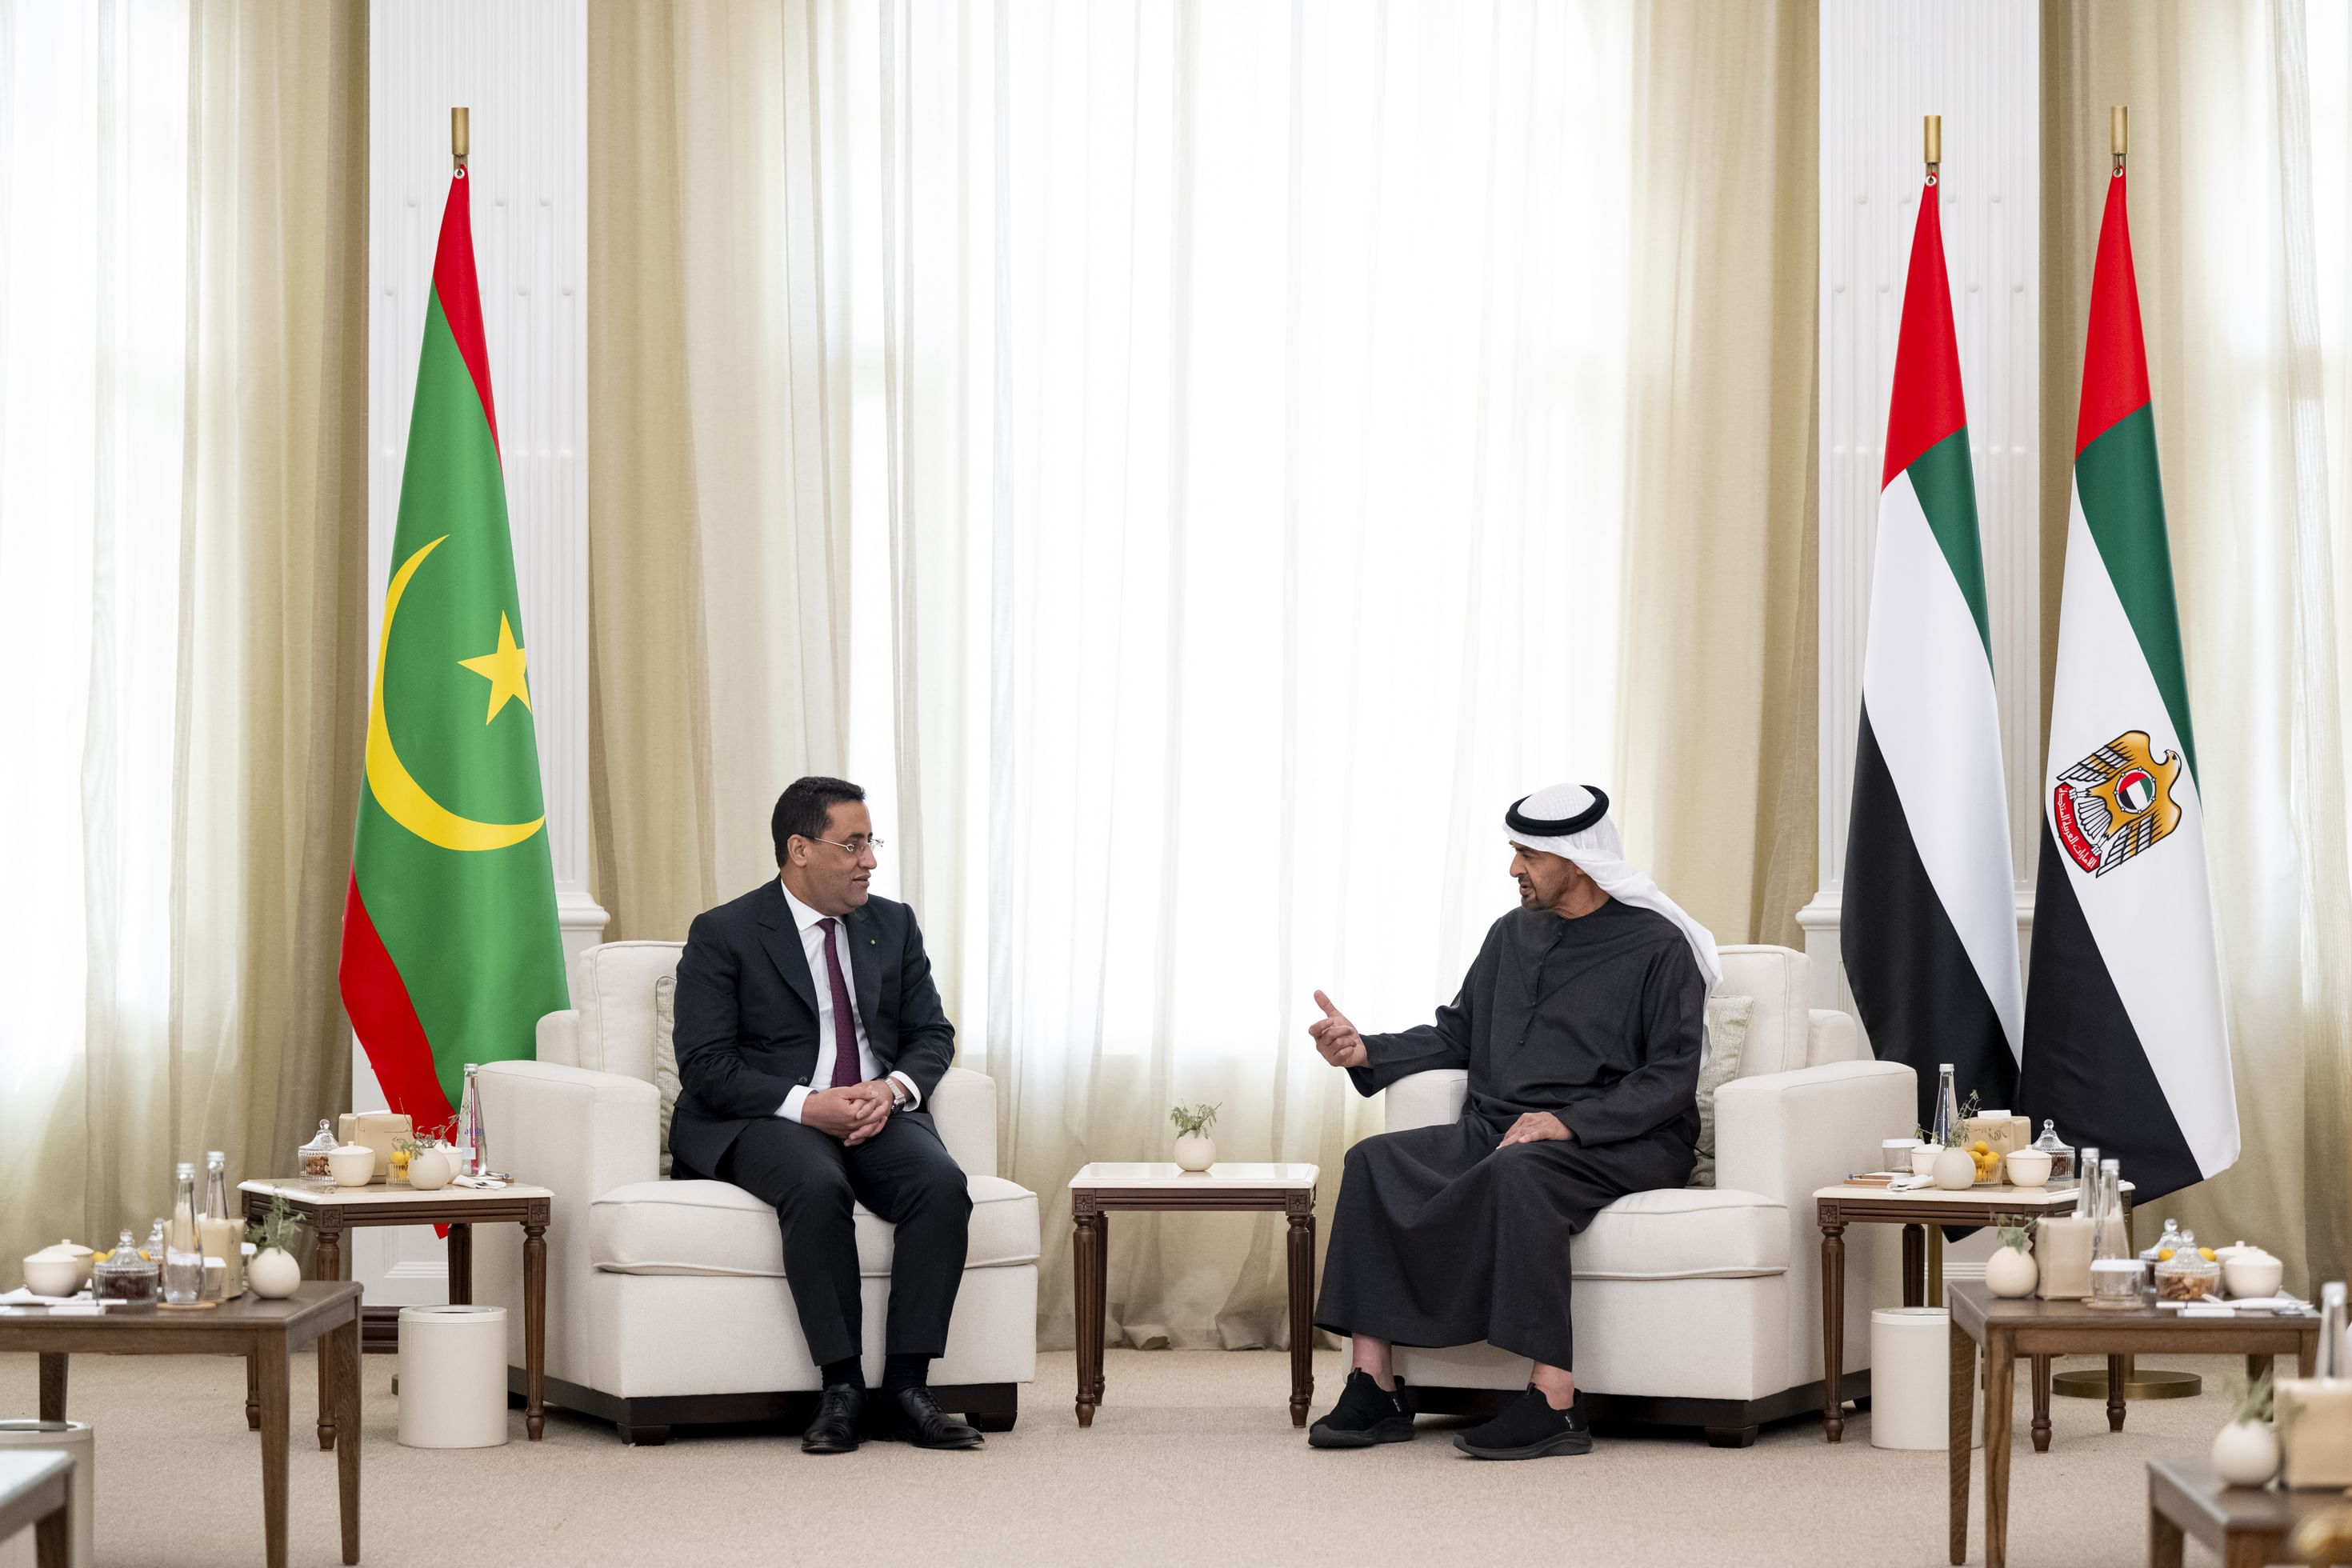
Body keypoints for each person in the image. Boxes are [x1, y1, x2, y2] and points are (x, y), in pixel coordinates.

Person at [1305, 782, 1718, 1460]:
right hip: (1501, 1128)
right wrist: (1367, 1050)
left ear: (1577, 859)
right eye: (1514, 852)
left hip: (1624, 1139)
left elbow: (1670, 1079)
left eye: (1528, 855)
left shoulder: (1659, 946)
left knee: (1520, 1171)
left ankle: (1556, 1403)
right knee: (1372, 1161)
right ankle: (1374, 1385)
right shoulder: (1509, 935)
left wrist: (1568, 1123)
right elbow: (1456, 1034)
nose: (1513, 869)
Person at [668, 775, 982, 1454]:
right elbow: (706, 1065)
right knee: (816, 1185)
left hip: (874, 1107)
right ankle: (842, 1388)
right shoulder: (724, 933)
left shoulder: (892, 925)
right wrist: (807, 1106)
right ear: (800, 849)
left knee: (940, 1185)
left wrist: (891, 1090)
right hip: (768, 1116)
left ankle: (907, 1389)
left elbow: (932, 1033)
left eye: (871, 843)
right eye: (853, 844)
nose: (869, 860)